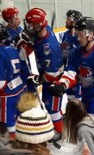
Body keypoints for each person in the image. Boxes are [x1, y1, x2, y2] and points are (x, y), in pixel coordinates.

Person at [17, 7, 64, 141]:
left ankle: (59, 133)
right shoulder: (44, 31)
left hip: (55, 81)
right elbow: (34, 43)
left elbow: (53, 74)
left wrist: (38, 79)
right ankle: (58, 125)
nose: (29, 27)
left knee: (53, 109)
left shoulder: (50, 47)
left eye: (32, 25)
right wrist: (27, 44)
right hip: (48, 74)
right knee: (49, 105)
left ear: (38, 26)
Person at [0, 22, 25, 138]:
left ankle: (14, 147)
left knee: (8, 124)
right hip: (19, 89)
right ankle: (25, 141)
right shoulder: (11, 48)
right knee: (20, 119)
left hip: (7, 95)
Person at [61, 9, 82, 100]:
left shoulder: (79, 36)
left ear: (74, 22)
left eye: (69, 19)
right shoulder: (66, 34)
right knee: (69, 97)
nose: (66, 21)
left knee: (78, 100)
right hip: (67, 70)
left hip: (76, 72)